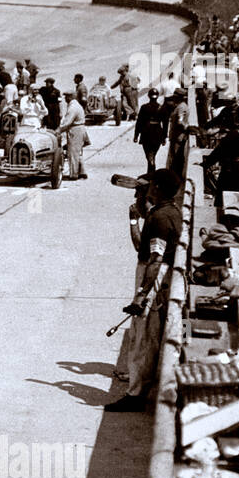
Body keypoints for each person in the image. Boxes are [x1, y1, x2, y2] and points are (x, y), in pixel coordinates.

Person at [106, 168, 182, 412]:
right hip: (156, 274)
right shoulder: (168, 212)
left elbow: (155, 258)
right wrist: (133, 220)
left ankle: (135, 394)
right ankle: (140, 388)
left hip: (153, 276)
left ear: (157, 188)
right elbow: (142, 245)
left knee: (142, 336)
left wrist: (141, 294)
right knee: (146, 334)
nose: (145, 188)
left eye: (148, 185)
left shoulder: (159, 218)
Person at [57, 84, 88, 180]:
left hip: (75, 130)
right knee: (78, 153)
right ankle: (82, 172)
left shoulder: (73, 107)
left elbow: (67, 123)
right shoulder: (75, 105)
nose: (65, 98)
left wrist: (58, 130)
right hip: (80, 129)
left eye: (66, 96)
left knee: (73, 153)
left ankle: (74, 174)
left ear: (71, 97)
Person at [133, 88, 165, 174]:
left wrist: (136, 135)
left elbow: (139, 122)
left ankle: (151, 169)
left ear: (148, 96)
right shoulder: (161, 108)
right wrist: (164, 137)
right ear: (157, 96)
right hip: (158, 133)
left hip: (146, 133)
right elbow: (165, 123)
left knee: (149, 154)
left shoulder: (144, 107)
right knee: (153, 153)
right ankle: (151, 169)